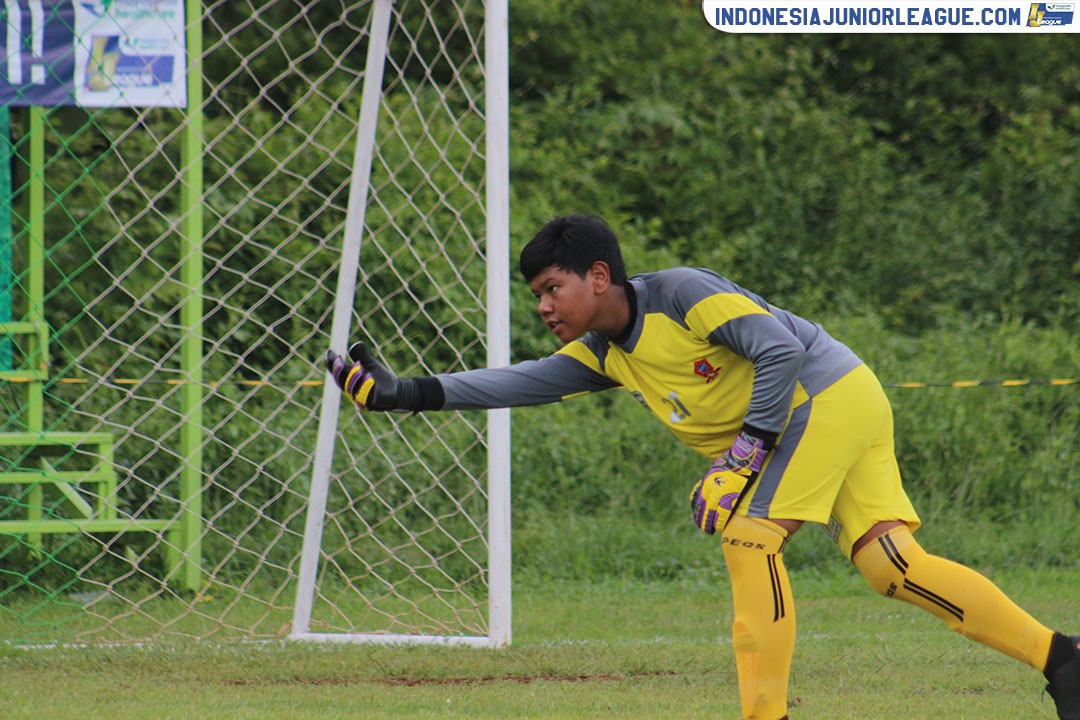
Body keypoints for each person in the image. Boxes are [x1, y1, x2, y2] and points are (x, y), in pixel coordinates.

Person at [325, 213, 1079, 720]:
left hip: (828, 398)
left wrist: (742, 457)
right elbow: (518, 382)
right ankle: (1063, 660)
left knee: (749, 537)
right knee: (891, 566)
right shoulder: (603, 354)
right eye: (538, 296)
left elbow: (779, 350)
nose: (546, 307)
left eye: (552, 290)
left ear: (597, 276)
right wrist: (405, 395)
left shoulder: (683, 294)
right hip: (835, 407)